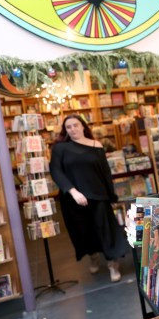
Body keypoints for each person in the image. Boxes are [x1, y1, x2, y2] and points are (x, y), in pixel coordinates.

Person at [49, 115, 127, 282]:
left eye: (75, 125)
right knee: (83, 231)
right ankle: (93, 256)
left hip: (98, 195)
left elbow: (105, 173)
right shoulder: (60, 148)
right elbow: (56, 171)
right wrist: (73, 191)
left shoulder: (96, 146)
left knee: (105, 229)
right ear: (65, 130)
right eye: (68, 127)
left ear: (83, 126)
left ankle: (113, 264)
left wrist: (111, 195)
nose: (72, 129)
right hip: (73, 199)